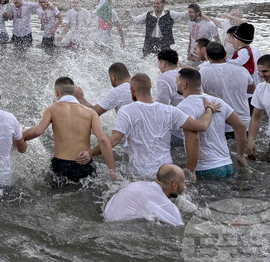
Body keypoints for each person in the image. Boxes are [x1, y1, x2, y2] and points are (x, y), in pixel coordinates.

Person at [88, 73, 219, 177]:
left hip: (140, 173)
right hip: (167, 172)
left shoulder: (127, 111)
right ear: (150, 89)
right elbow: (201, 126)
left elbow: (113, 141)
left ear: (132, 90)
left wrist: (91, 153)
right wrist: (209, 109)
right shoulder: (170, 110)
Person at [23, 77, 117, 187]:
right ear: (74, 93)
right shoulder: (90, 112)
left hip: (61, 165)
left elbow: (38, 131)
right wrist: (113, 171)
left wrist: (20, 137)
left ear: (56, 92)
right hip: (85, 164)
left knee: (59, 201)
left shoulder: (52, 109)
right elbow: (103, 140)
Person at [176, 68, 248, 179]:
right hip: (227, 165)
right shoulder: (216, 101)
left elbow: (193, 139)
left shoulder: (184, 107)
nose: (175, 83)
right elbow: (241, 126)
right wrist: (240, 155)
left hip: (206, 169)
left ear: (184, 85)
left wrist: (191, 170)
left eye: (177, 81)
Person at [197, 42, 253, 135]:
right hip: (244, 122)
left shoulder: (202, 73)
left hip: (220, 124)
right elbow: (252, 91)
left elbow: (200, 100)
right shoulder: (242, 70)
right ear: (225, 53)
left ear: (207, 56)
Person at [103, 164, 186, 226]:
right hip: (120, 228)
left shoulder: (138, 184)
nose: (184, 185)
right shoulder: (166, 205)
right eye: (183, 182)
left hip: (106, 217)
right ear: (174, 185)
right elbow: (179, 228)